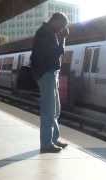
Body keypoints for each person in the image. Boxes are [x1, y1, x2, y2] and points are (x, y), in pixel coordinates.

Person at [30, 12, 69, 153]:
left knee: (56, 109)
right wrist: (63, 39)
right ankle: (46, 144)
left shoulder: (48, 32)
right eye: (62, 25)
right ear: (56, 21)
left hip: (51, 73)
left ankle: (53, 138)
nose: (62, 28)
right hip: (46, 74)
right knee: (48, 110)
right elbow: (57, 52)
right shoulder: (45, 33)